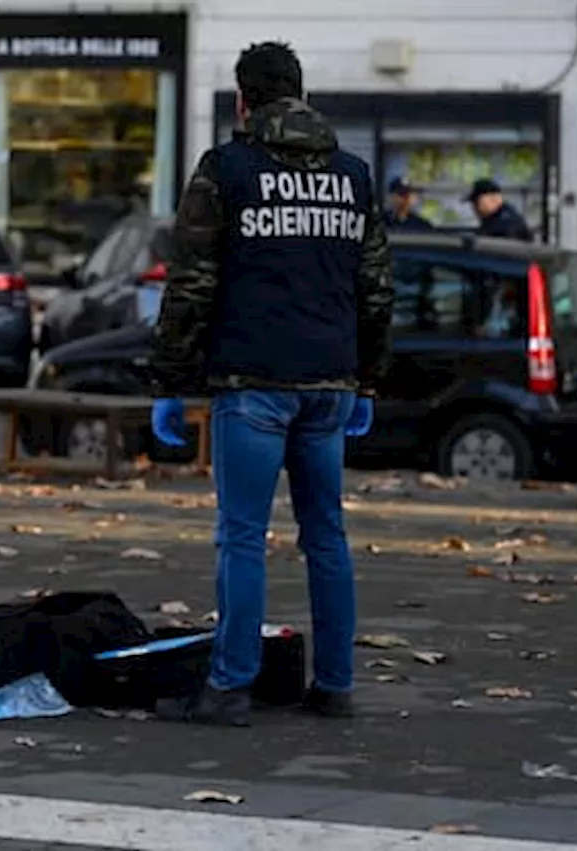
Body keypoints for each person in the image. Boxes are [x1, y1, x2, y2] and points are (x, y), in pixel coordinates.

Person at [147, 41, 394, 726]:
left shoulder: (227, 170)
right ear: (302, 94)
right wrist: (367, 381)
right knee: (327, 535)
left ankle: (229, 687)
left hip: (251, 379)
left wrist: (170, 379)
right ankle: (336, 685)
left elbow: (191, 283)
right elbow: (376, 288)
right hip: (331, 383)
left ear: (242, 101)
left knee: (243, 536)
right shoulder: (354, 176)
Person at [466, 178, 533, 241]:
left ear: (492, 199)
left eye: (476, 202)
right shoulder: (498, 217)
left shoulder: (504, 224)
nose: (474, 207)